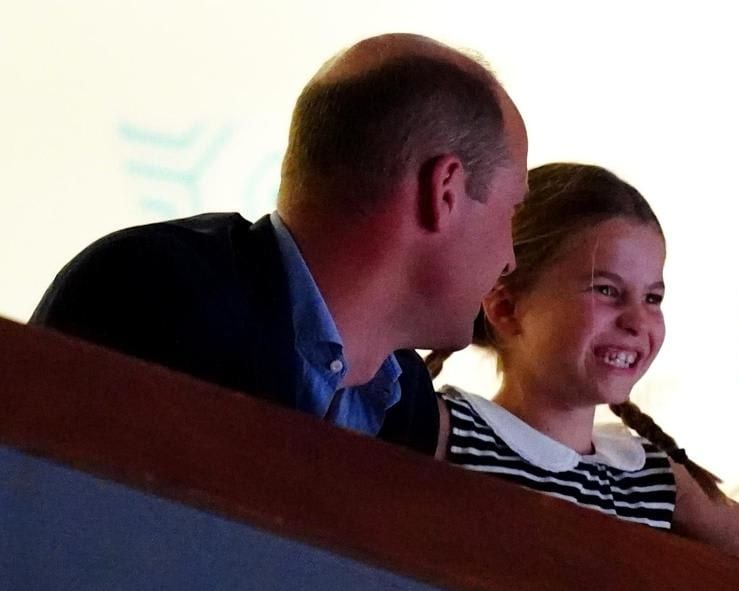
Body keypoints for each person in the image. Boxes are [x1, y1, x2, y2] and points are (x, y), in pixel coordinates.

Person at [30, 33, 528, 455]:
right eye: (512, 212)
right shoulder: (142, 294)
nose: (509, 258)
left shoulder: (406, 397)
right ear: (444, 192)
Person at [426, 163, 739, 590]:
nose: (637, 321)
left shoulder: (654, 476)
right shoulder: (447, 429)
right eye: (607, 290)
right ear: (506, 308)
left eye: (653, 297)